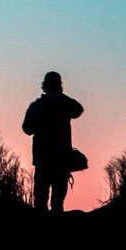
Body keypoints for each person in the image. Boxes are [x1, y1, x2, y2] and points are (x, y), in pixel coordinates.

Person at [22, 71, 84, 213]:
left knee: (40, 202)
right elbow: (78, 109)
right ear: (59, 86)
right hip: (60, 160)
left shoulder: (37, 106)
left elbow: (27, 129)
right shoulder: (64, 104)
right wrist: (60, 98)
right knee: (57, 203)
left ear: (45, 86)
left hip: (43, 159)